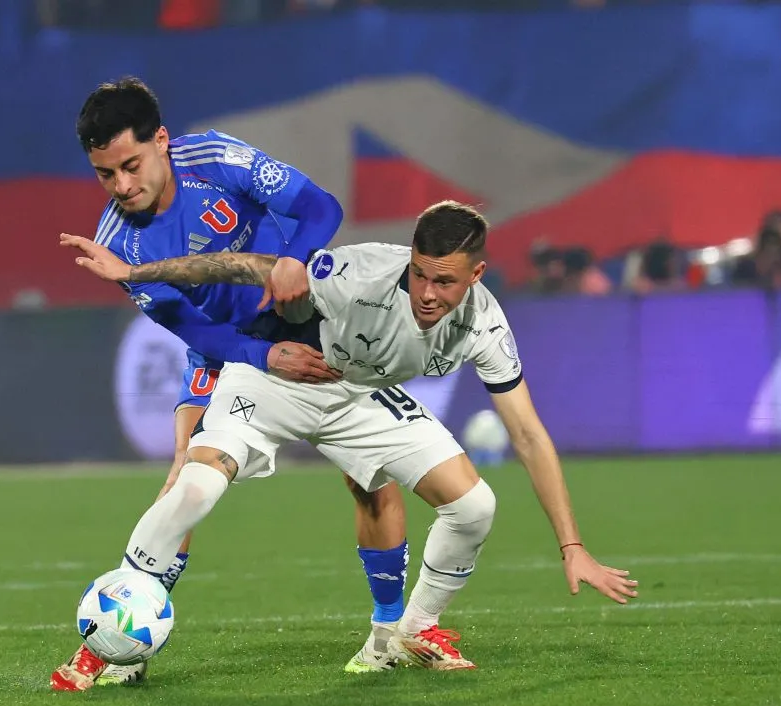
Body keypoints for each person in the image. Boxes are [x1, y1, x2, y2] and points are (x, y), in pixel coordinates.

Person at [62, 200, 640, 671]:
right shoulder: (362, 272)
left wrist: (572, 546)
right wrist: (134, 272)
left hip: (356, 395)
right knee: (194, 489)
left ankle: (411, 635)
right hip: (277, 378)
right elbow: (252, 266)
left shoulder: (484, 325)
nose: (427, 292)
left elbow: (529, 435)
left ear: (477, 276)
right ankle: (106, 645)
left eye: (444, 281)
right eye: (419, 273)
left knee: (475, 505)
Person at [50, 77, 410, 691]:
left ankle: (391, 631)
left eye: (131, 166)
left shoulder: (217, 159)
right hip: (229, 349)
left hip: (311, 318)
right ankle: (118, 649)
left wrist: (295, 261)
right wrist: (267, 357)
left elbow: (321, 208)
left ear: (160, 141)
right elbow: (196, 331)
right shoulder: (117, 246)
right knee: (183, 485)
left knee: (367, 476)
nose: (122, 187)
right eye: (106, 175)